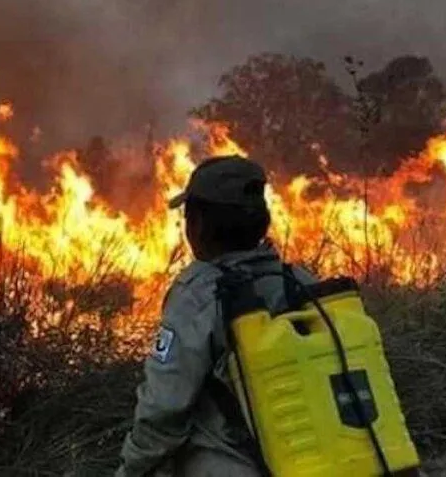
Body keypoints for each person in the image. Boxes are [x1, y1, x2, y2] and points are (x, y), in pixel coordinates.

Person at [115, 155, 317, 477]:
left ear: (199, 224)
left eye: (188, 216)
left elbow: (163, 408)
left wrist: (131, 469)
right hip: (317, 460)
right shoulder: (301, 282)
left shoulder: (198, 296)